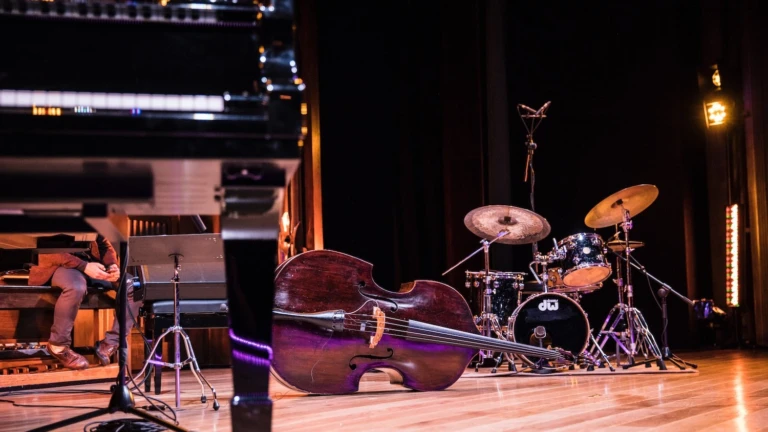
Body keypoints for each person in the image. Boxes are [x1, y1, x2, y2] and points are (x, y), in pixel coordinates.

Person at [28, 235, 142, 370]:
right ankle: (58, 345)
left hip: (91, 265)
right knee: (76, 287)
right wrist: (84, 266)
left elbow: (103, 244)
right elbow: (45, 250)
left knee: (134, 286)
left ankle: (111, 343)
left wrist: (112, 265)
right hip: (58, 265)